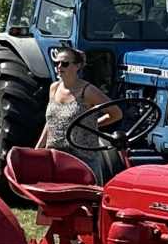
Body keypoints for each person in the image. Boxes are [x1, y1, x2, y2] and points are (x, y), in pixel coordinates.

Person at [40, 46, 119, 181]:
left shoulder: (88, 91)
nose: (59, 67)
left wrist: (92, 125)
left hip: (82, 160)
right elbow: (51, 122)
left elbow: (116, 113)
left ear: (77, 66)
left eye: (64, 63)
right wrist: (37, 149)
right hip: (55, 156)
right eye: (56, 63)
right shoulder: (54, 88)